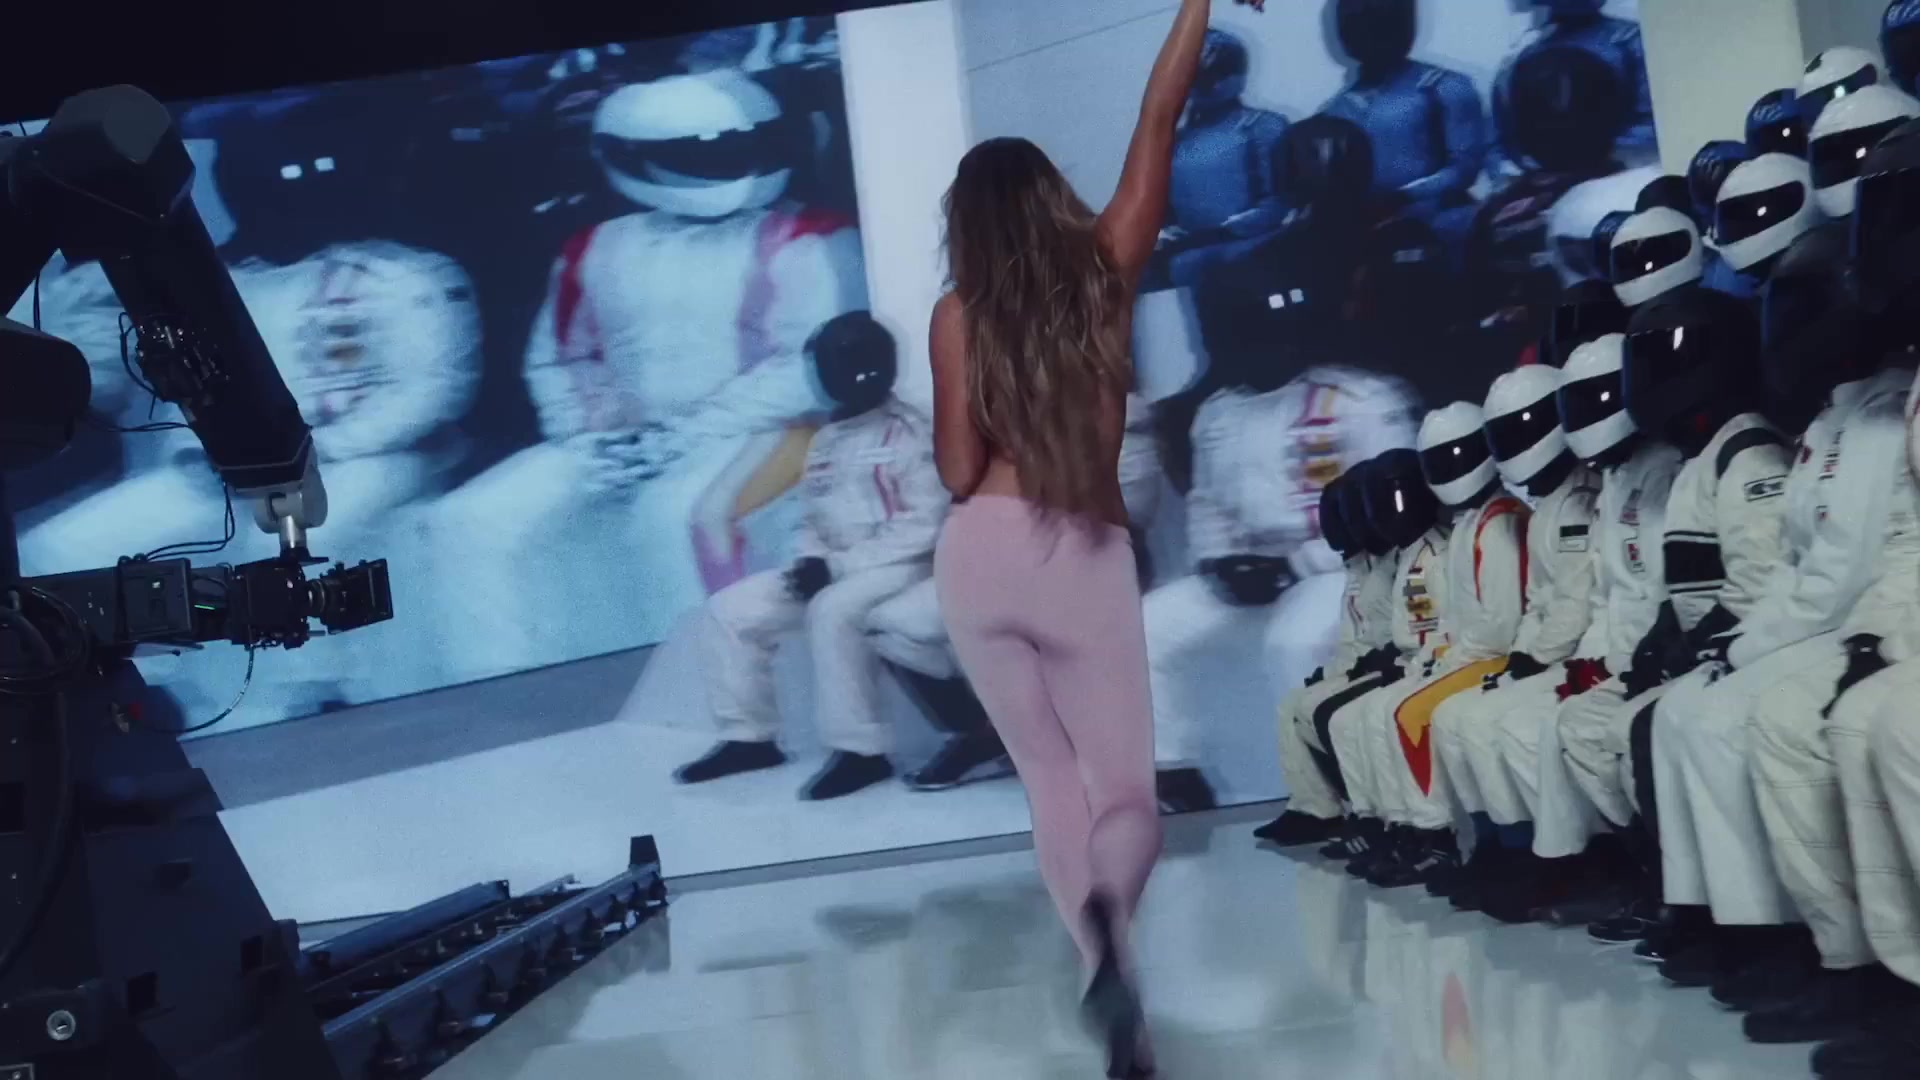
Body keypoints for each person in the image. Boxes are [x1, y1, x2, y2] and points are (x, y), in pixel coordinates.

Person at [927, 3, 1263, 1074]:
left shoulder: (957, 314)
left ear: (969, 226)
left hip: (977, 556)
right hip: (1077, 548)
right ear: (1050, 201)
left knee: (1048, 785)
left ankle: (1119, 1007)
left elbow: (956, 471)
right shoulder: (1107, 265)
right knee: (1124, 799)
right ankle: (1113, 924)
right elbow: (1159, 117)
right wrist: (1198, 3)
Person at [676, 318, 946, 801]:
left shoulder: (913, 432)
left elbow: (926, 525)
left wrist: (837, 569)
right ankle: (749, 738)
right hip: (835, 567)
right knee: (729, 610)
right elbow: (813, 518)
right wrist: (810, 562)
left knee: (833, 610)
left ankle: (862, 752)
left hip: (905, 566)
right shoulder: (827, 440)